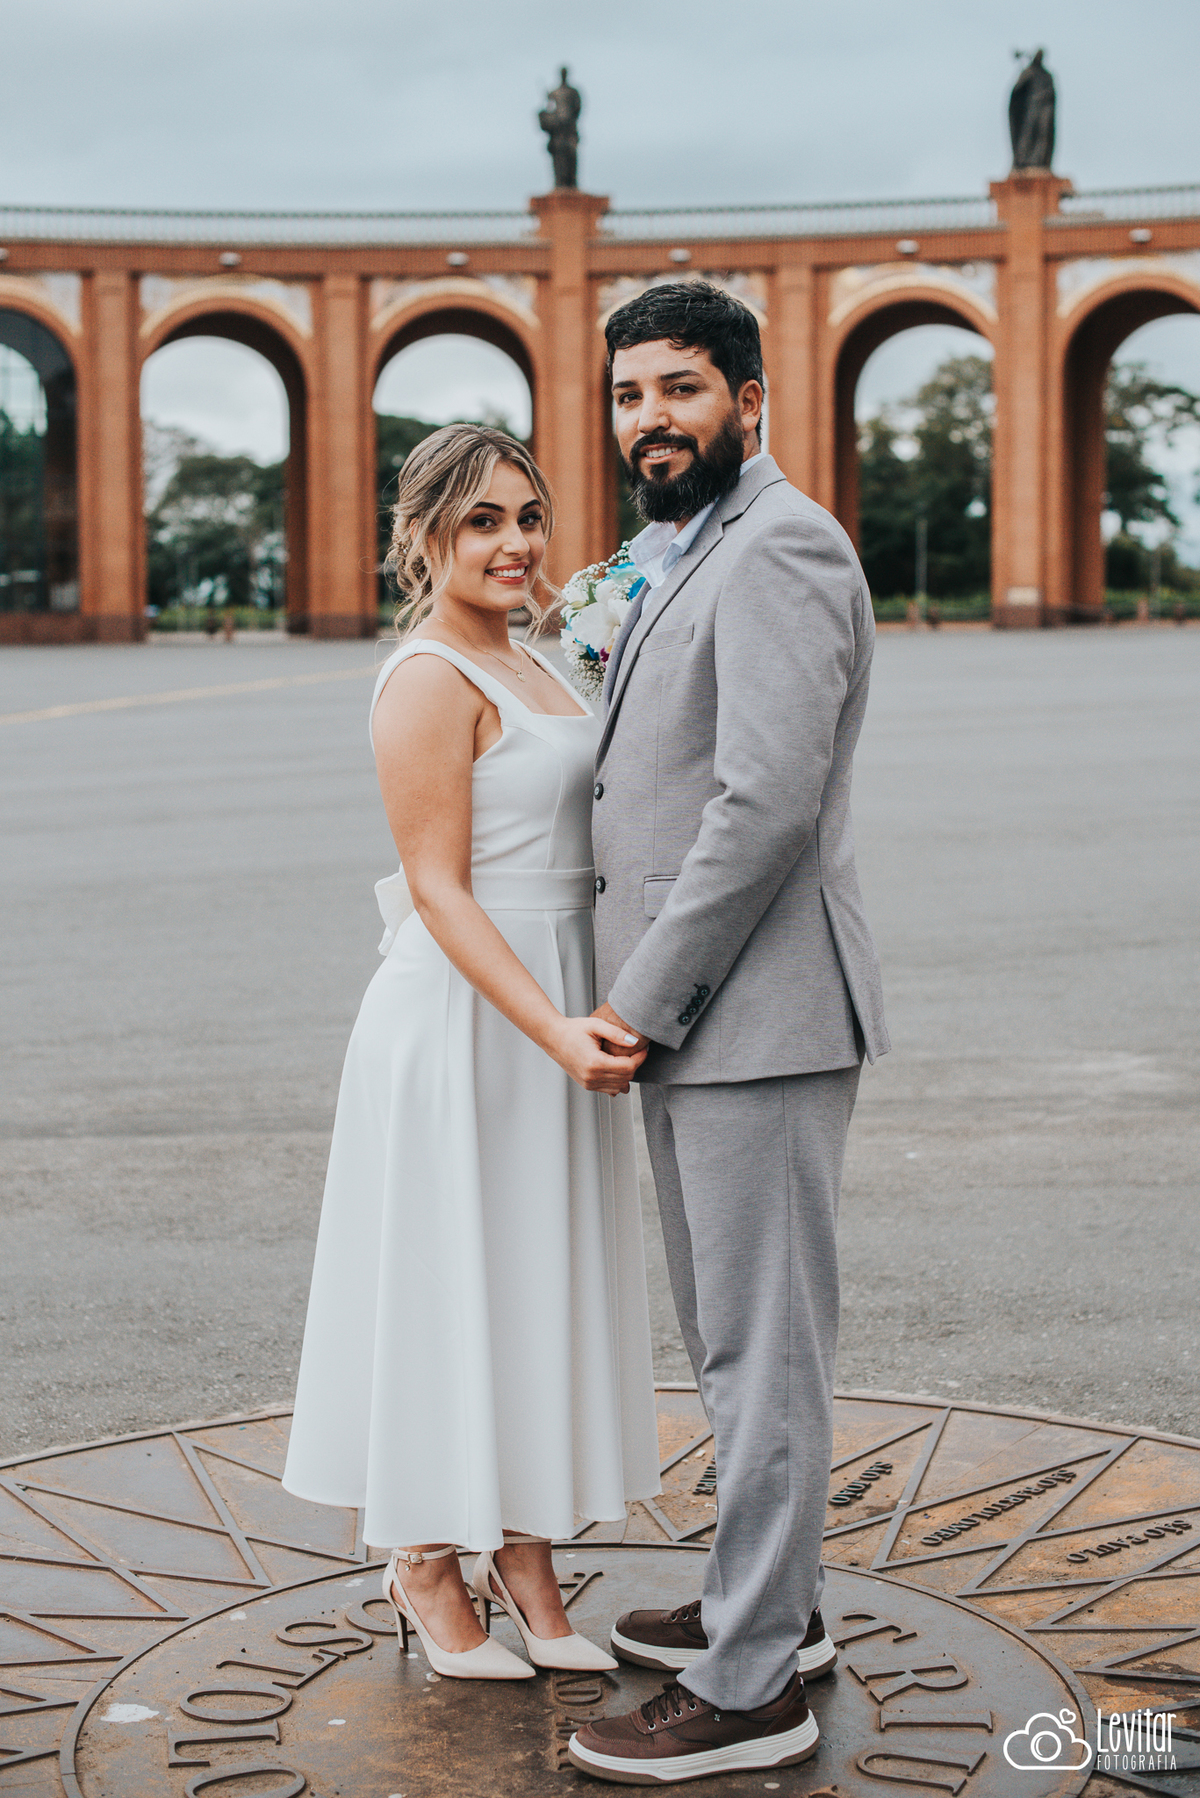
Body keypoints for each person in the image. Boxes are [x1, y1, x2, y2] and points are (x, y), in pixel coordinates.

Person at [568, 283, 889, 1783]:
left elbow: (763, 805)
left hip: (750, 1010)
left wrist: (640, 996)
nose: (651, 420)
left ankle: (754, 1685)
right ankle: (775, 1605)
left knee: (764, 1353)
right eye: (630, 394)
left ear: (749, 400)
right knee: (728, 1342)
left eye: (682, 389)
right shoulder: (686, 546)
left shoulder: (782, 546)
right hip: (708, 1017)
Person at [282, 423, 661, 1682]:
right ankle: (425, 1558)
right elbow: (439, 887)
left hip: (558, 1002)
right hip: (468, 1020)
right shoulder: (428, 677)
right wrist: (552, 1026)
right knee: (453, 1281)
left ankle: (525, 1551)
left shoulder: (540, 658)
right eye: (485, 520)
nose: (515, 543)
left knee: (529, 1281)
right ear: (426, 534)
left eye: (529, 516)